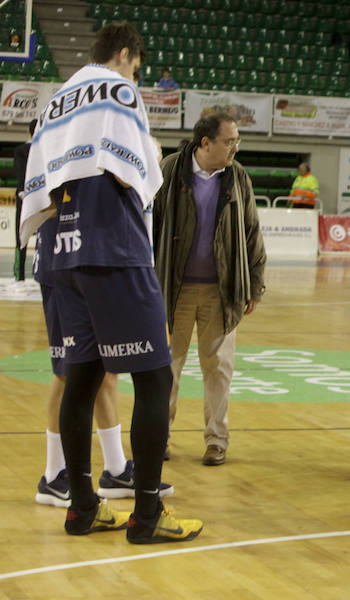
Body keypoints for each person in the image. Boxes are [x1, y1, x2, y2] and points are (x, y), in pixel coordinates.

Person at [19, 21, 202, 543]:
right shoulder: (117, 90)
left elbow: (36, 185)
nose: (137, 79)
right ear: (124, 56)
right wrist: (150, 152)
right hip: (112, 249)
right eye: (138, 69)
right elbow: (133, 170)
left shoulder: (57, 99)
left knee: (81, 378)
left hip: (58, 253)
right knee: (153, 377)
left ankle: (81, 507)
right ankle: (146, 516)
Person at [33, 221, 174, 506]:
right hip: (64, 262)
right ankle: (53, 474)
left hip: (91, 263)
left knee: (102, 369)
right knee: (68, 371)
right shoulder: (67, 180)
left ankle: (116, 470)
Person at [153, 112, 267, 467]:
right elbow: (150, 226)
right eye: (229, 141)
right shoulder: (170, 170)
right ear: (206, 143)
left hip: (221, 290)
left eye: (237, 141)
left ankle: (217, 441)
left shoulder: (238, 176)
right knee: (165, 368)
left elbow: (251, 231)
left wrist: (255, 284)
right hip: (174, 290)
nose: (235, 147)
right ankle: (158, 438)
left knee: (218, 369)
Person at [12, 118, 36, 282]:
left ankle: (19, 276)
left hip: (25, 195)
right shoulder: (43, 149)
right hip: (42, 195)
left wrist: (22, 191)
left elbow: (20, 172)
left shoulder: (20, 150)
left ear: (28, 131)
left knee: (20, 237)